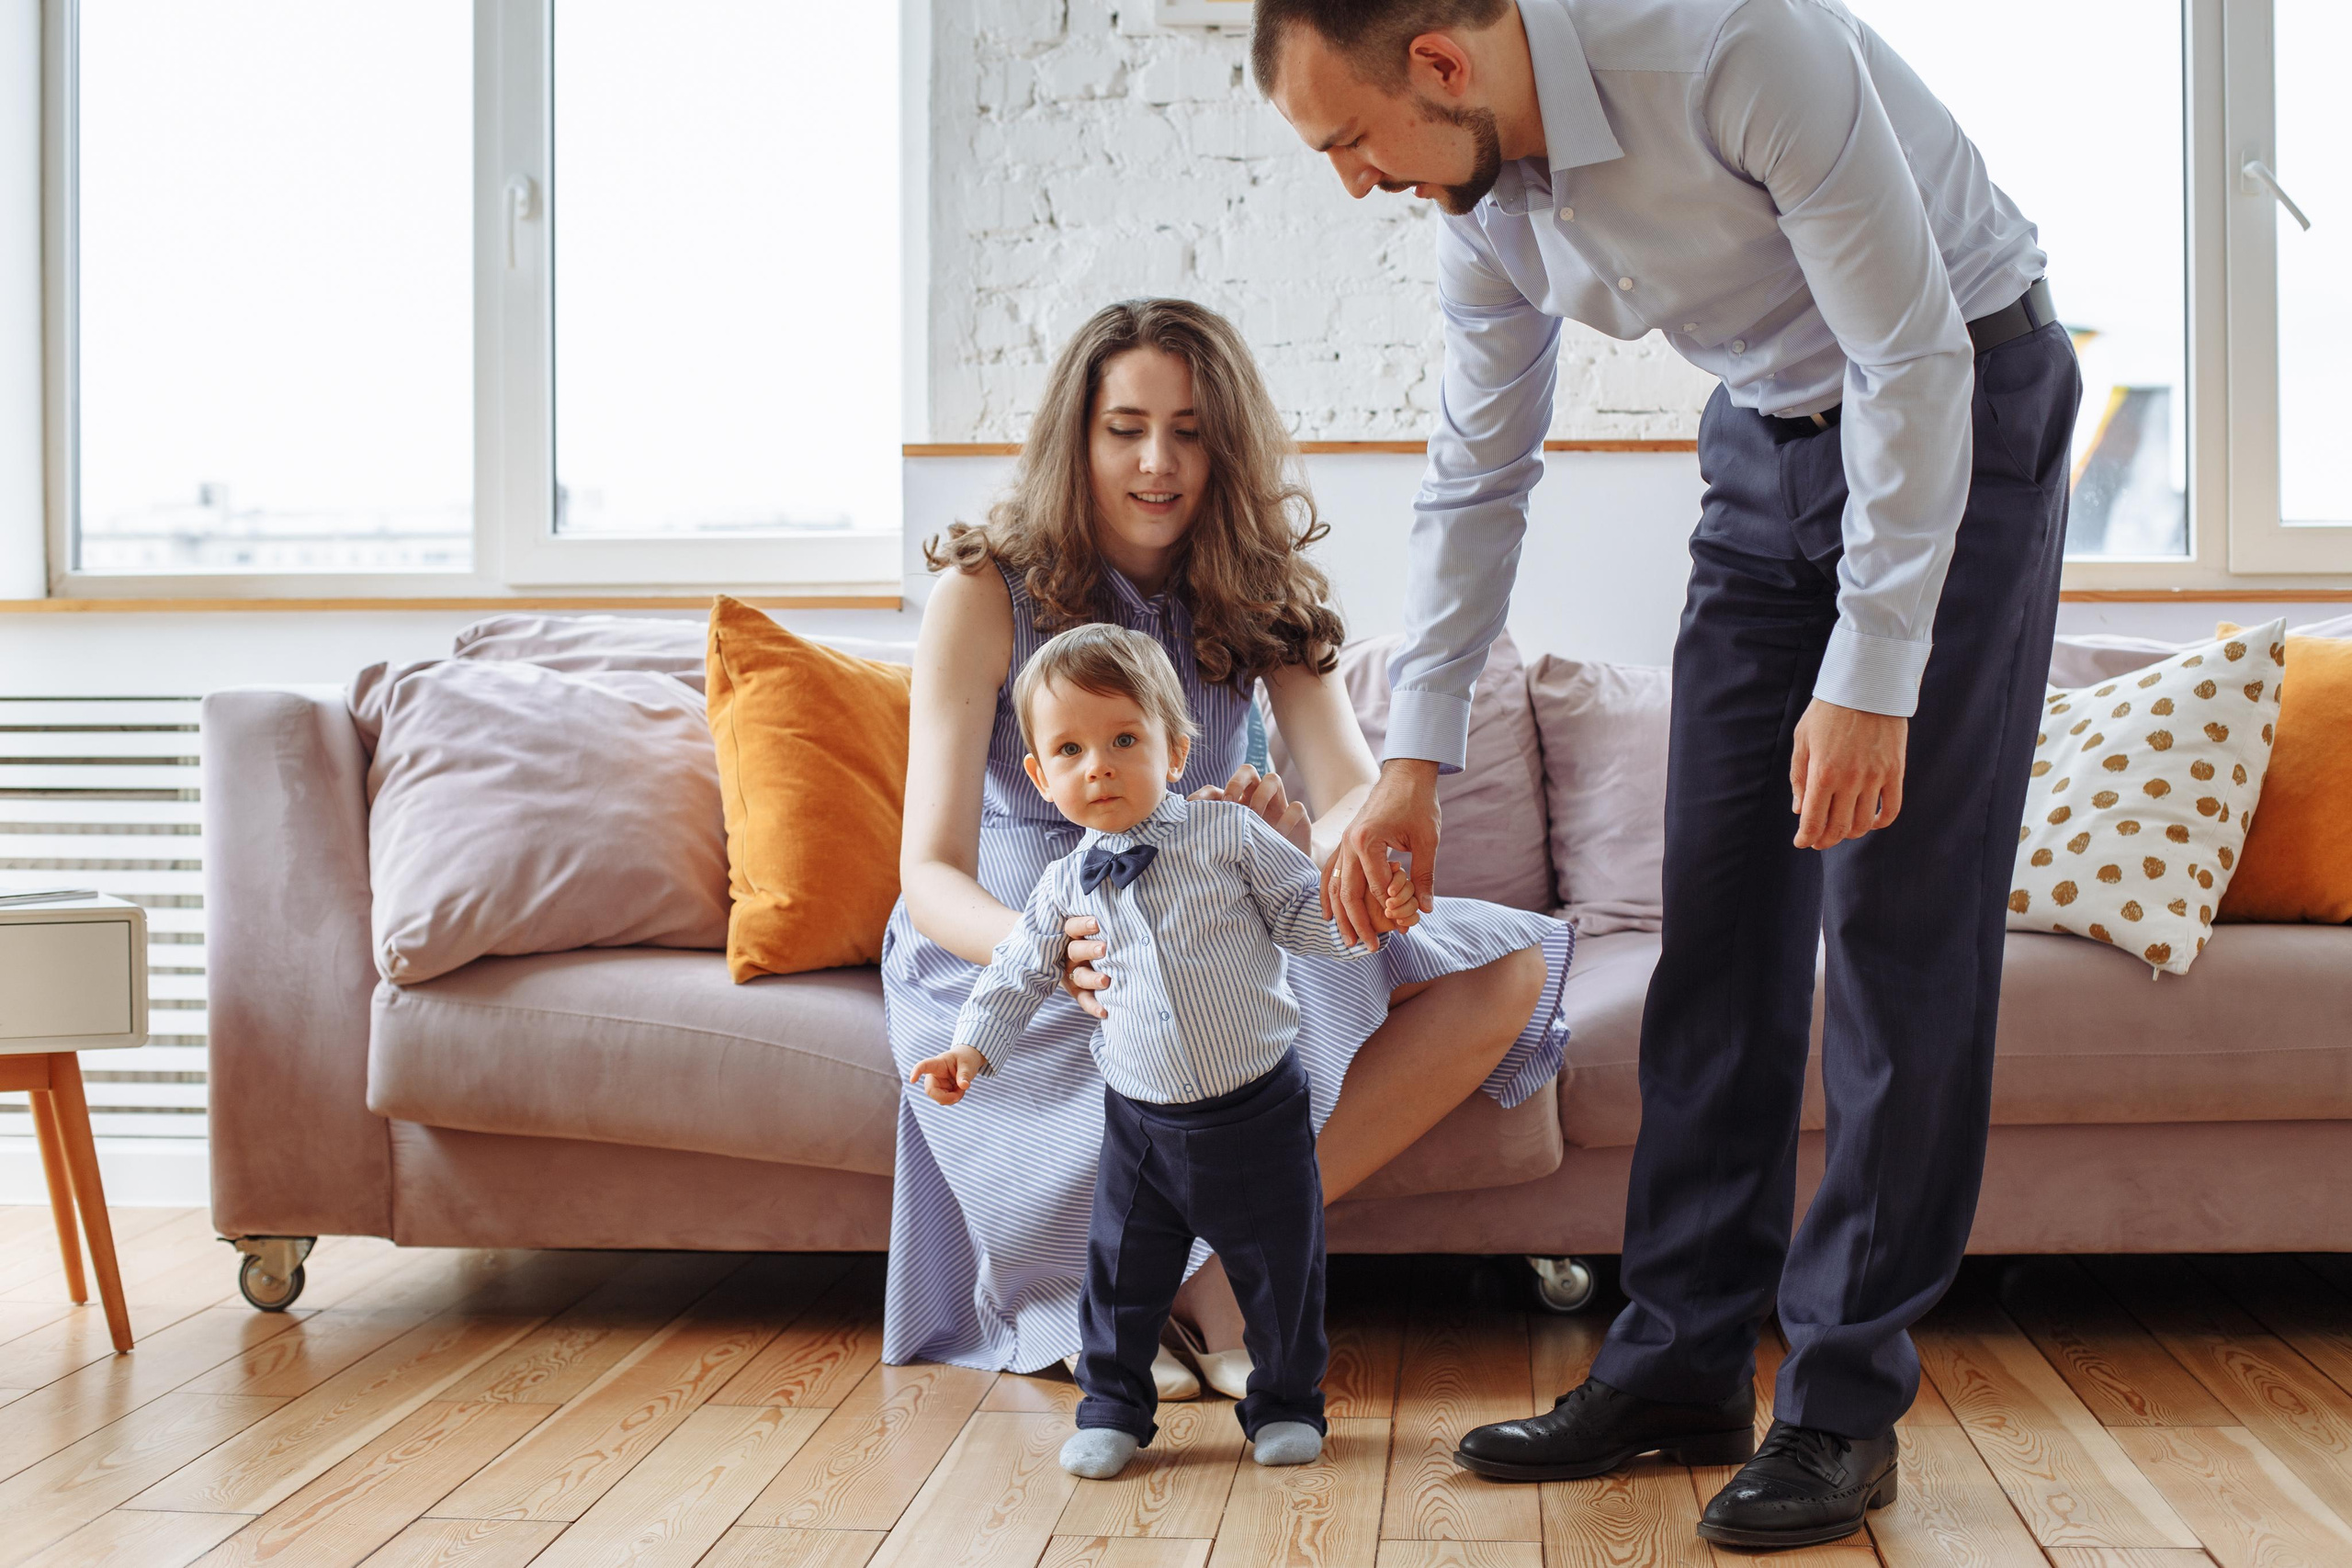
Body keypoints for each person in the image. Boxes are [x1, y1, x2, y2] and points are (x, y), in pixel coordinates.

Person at [1252, 0, 2078, 1551]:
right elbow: (1477, 472)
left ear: (1441, 60)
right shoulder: (1476, 194)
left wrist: (1872, 671)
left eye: (1350, 141)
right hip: (1766, 434)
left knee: (1899, 929)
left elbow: (1910, 352)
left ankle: (1840, 1400)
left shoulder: (1727, 42)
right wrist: (1412, 758)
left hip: (1961, 388)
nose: (1354, 182)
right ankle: (1683, 1359)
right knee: (1715, 911)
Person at [883, 298, 1575, 1397]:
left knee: (1507, 971)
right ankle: (1170, 1288)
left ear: (1227, 443)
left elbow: (1350, 791)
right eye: (1126, 427)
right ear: (1079, 435)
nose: (1158, 461)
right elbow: (928, 871)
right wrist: (1046, 950)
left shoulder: (1255, 587)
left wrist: (1303, 843)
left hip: (1213, 911)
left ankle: (1203, 1270)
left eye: (1191, 430)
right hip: (1020, 935)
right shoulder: (983, 591)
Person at [910, 623, 1423, 1479]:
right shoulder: (1060, 883)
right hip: (1140, 1118)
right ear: (1039, 775)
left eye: (1123, 740)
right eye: (1069, 750)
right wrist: (969, 1053)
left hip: (1254, 1106)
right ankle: (1112, 1407)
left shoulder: (1231, 839)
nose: (1098, 766)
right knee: (1118, 1274)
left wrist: (1370, 914)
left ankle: (1287, 1403)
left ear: (1175, 749)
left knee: (1280, 1272)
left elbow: (1303, 919)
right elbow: (1016, 975)